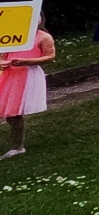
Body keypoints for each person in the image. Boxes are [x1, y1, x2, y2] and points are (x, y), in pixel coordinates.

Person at [0, 15, 55, 160]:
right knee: (8, 111)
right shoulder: (15, 35)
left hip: (26, 75)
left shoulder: (43, 37)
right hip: (10, 74)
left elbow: (50, 56)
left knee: (14, 111)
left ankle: (17, 146)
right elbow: (4, 53)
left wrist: (27, 61)